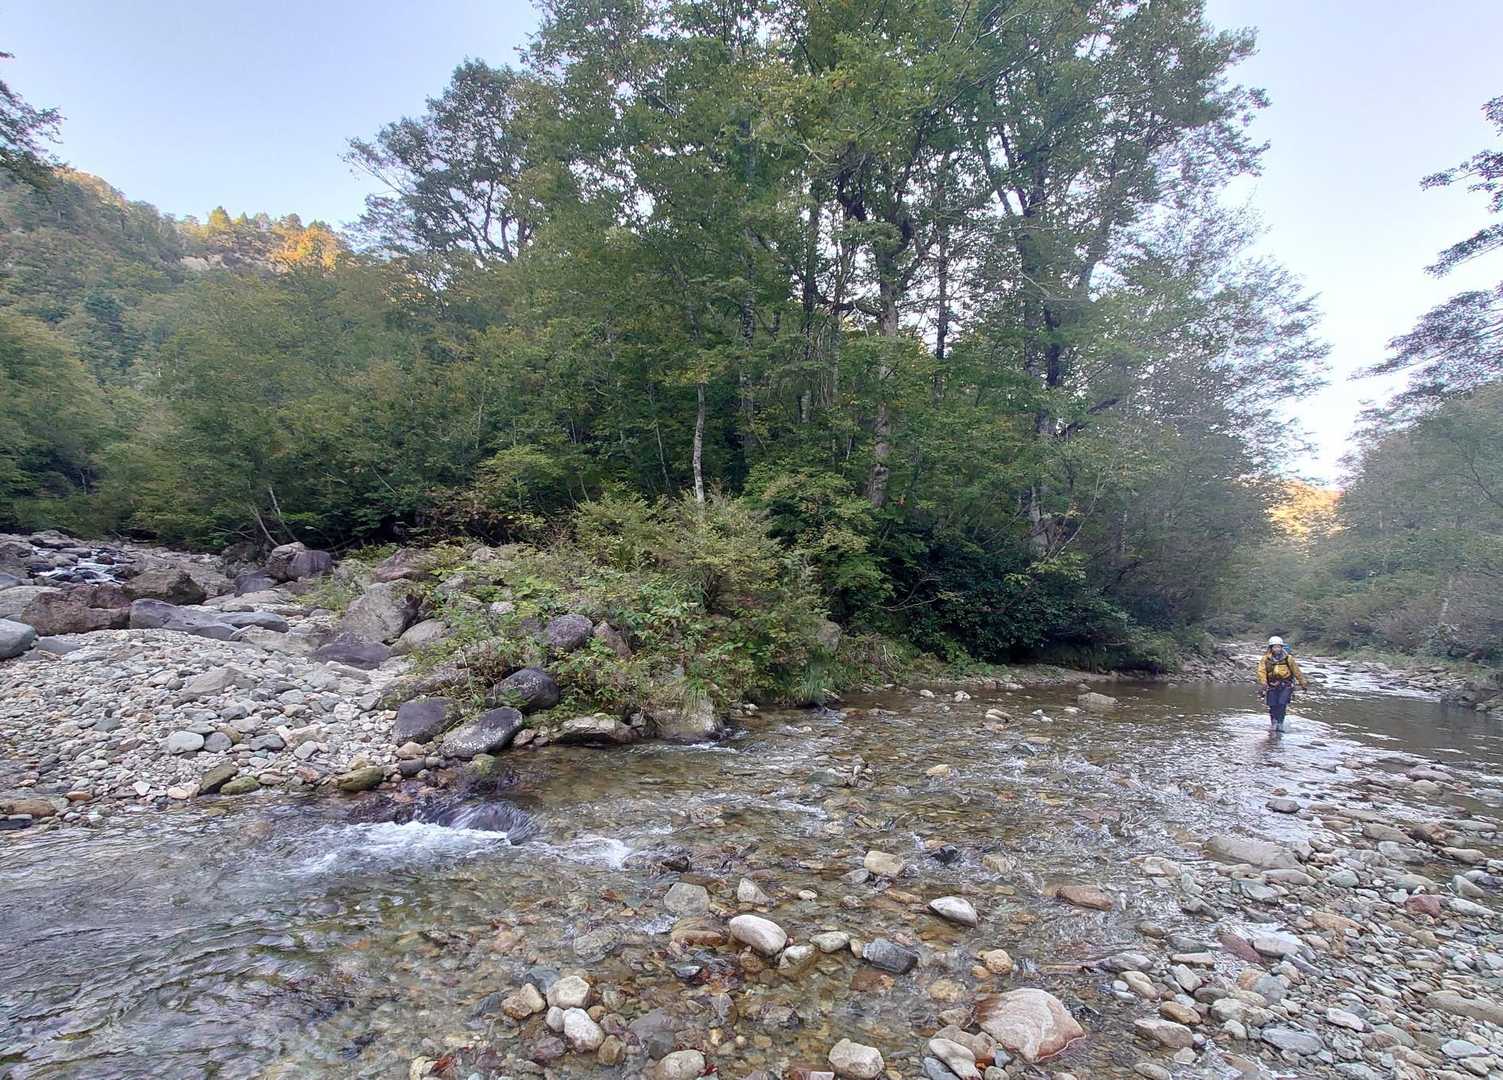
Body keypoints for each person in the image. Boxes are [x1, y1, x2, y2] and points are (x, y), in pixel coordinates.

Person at [1256, 635, 1308, 732]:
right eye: (1275, 647)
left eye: (1278, 647)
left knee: (1282, 704)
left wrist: (1303, 683)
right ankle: (1274, 722)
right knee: (1272, 705)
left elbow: (1297, 672)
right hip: (1271, 685)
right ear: (1271, 648)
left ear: (1281, 647)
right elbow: (1261, 671)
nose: (1277, 649)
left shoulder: (1288, 658)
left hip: (1286, 685)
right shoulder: (1265, 659)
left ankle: (1280, 723)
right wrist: (1264, 683)